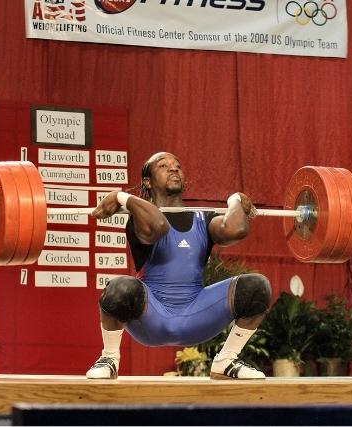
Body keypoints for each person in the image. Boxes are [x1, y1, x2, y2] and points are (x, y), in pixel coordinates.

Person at [86, 152, 271, 380]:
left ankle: (226, 359)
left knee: (256, 286)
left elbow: (236, 229)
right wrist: (122, 197)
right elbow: (158, 225)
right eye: (164, 166)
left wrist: (234, 200)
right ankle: (110, 358)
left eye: (177, 166)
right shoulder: (140, 219)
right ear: (148, 182)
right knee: (120, 287)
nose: (173, 169)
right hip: (152, 317)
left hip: (197, 315)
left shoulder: (203, 220)